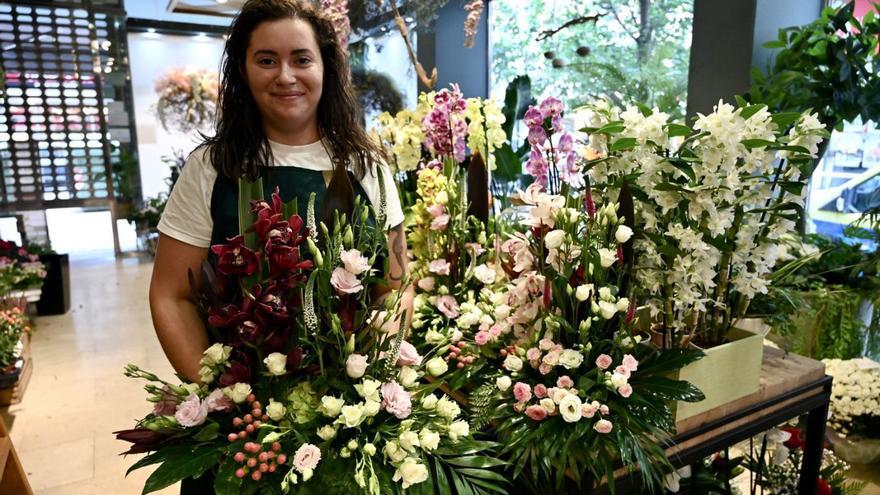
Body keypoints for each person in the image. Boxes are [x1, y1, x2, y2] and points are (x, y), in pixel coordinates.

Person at [149, 1, 411, 490]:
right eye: (266, 59)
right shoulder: (211, 168)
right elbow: (170, 293)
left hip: (347, 419)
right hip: (247, 432)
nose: (285, 75)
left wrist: (368, 376)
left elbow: (394, 289)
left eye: (301, 59)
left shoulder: (367, 166)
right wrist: (221, 400)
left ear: (326, 68)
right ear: (243, 71)